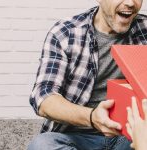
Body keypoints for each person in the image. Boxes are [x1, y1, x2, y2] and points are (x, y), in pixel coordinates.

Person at [28, 0, 147, 149]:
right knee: (41, 145)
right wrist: (92, 117)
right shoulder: (66, 32)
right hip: (77, 136)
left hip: (129, 136)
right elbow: (43, 98)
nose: (130, 3)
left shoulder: (144, 29)